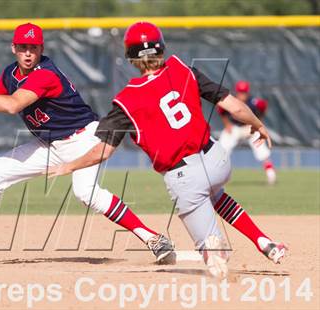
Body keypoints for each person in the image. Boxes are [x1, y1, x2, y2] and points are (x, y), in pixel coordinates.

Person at [48, 21, 287, 277]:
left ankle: (212, 250)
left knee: (210, 246)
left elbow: (103, 152)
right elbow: (235, 107)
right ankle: (264, 242)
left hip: (183, 178)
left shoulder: (127, 100)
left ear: (130, 57)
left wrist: (69, 165)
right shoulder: (183, 69)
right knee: (216, 194)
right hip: (217, 159)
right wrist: (258, 124)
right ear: (161, 47)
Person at [0, 23, 176, 266]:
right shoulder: (11, 74)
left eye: (33, 47)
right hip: (50, 144)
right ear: (13, 48)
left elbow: (12, 105)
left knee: (87, 193)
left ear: (41, 48)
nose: (28, 53)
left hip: (83, 138)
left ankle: (154, 239)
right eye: (22, 47)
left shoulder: (45, 74)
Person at [218, 81, 276, 184]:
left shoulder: (253, 102)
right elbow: (221, 110)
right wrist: (227, 124)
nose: (242, 95)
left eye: (244, 92)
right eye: (240, 92)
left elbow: (263, 106)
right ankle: (223, 176)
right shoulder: (232, 101)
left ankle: (270, 173)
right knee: (222, 150)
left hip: (249, 128)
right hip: (235, 128)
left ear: (247, 92)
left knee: (261, 149)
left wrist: (258, 122)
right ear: (237, 92)